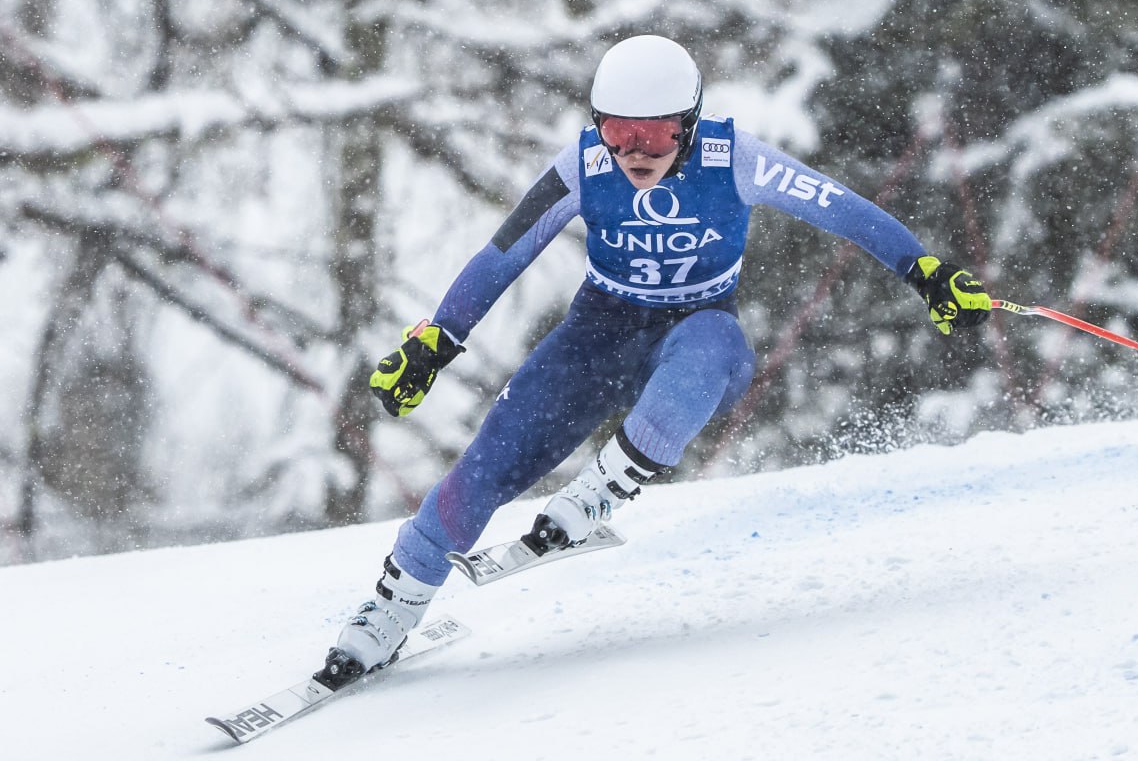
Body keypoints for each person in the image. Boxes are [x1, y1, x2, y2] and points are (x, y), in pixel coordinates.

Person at [319, 35, 991, 684]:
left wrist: (925, 272)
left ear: (691, 127)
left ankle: (605, 487)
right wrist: (438, 340)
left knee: (715, 349)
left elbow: (840, 209)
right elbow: (505, 252)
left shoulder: (735, 159)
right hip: (597, 335)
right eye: (617, 132)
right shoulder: (582, 167)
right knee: (483, 469)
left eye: (657, 135)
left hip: (693, 333)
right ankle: (393, 605)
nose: (634, 152)